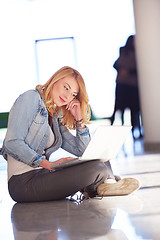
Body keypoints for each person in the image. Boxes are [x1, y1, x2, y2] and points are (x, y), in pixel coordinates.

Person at [0, 66, 139, 203]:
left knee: (101, 158)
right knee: (97, 169)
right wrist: (48, 164)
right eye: (66, 87)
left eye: (73, 94)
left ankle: (106, 183)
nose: (68, 96)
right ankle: (103, 183)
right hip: (23, 183)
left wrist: (79, 120)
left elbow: (83, 151)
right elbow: (12, 143)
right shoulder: (30, 97)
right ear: (55, 80)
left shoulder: (54, 115)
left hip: (42, 175)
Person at [110, 35, 143, 139]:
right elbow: (115, 64)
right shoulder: (123, 51)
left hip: (132, 86)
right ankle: (113, 132)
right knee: (119, 109)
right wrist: (123, 70)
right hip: (122, 85)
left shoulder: (138, 53)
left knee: (134, 110)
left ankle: (135, 133)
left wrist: (128, 71)